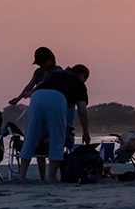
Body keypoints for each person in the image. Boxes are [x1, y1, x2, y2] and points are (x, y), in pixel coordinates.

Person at [18, 64, 91, 182]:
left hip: (37, 97)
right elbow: (82, 110)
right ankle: (51, 177)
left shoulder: (56, 74)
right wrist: (86, 132)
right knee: (57, 138)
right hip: (57, 98)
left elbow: (38, 86)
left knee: (31, 136)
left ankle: (21, 176)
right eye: (85, 79)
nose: (85, 82)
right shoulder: (79, 83)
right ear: (82, 75)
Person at [9, 47, 61, 179]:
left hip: (51, 108)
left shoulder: (57, 71)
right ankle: (42, 176)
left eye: (41, 63)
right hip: (37, 107)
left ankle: (49, 176)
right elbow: (30, 85)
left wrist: (32, 93)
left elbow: (44, 84)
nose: (40, 66)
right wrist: (19, 97)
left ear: (49, 60)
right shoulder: (38, 72)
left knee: (49, 139)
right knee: (36, 138)